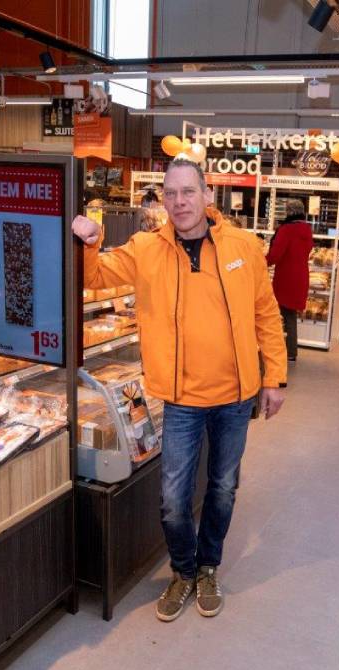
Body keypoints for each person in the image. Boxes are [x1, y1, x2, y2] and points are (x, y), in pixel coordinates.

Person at [71, 158, 288, 622]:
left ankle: (208, 567)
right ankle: (183, 572)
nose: (180, 202)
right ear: (163, 200)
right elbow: (94, 277)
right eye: (171, 194)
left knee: (223, 488)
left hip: (235, 395)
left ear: (207, 195)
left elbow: (266, 314)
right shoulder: (146, 247)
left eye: (189, 192)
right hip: (180, 398)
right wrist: (90, 242)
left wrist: (275, 377)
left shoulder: (243, 246)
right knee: (173, 499)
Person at [266, 198, 314, 362]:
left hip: (286, 277)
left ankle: (274, 349)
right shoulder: (307, 229)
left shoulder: (286, 229)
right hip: (300, 276)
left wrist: (261, 262)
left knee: (275, 314)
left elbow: (275, 254)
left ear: (289, 212)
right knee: (290, 315)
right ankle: (291, 352)